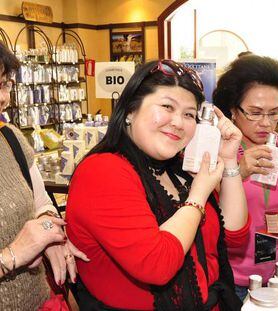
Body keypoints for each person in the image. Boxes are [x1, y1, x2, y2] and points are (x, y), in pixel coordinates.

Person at [65, 59, 250, 310]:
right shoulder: (102, 171)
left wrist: (228, 160)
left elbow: (234, 236)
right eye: (167, 106)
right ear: (130, 110)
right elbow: (156, 264)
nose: (178, 122)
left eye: (189, 114)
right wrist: (197, 196)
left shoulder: (178, 168)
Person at [213, 55, 278, 301]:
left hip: (277, 274)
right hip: (227, 276)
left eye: (274, 113)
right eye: (255, 113)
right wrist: (237, 172)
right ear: (233, 111)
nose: (266, 123)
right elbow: (199, 209)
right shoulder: (216, 148)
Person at [0, 42, 88, 309]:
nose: (1, 97)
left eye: (4, 84)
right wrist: (13, 255)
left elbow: (42, 203)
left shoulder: (10, 136)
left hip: (39, 300)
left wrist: (49, 233)